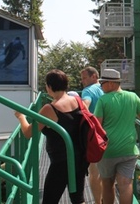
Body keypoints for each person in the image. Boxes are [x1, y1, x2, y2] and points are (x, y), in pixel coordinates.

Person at [14, 69, 87, 204]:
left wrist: (21, 117)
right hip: (79, 157)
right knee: (78, 199)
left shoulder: (50, 108)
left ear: (49, 87)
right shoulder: (78, 101)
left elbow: (28, 133)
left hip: (61, 162)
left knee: (49, 200)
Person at [94, 69, 140, 204]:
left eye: (102, 83)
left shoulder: (103, 100)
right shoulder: (132, 97)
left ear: (111, 84)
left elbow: (97, 124)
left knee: (107, 184)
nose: (101, 86)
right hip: (128, 148)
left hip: (108, 150)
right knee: (125, 185)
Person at [81, 66, 104, 204]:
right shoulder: (107, 89)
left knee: (95, 173)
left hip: (96, 137)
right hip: (110, 134)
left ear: (94, 76)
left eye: (85, 78)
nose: (82, 81)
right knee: (107, 173)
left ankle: (97, 202)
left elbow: (85, 104)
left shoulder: (88, 90)